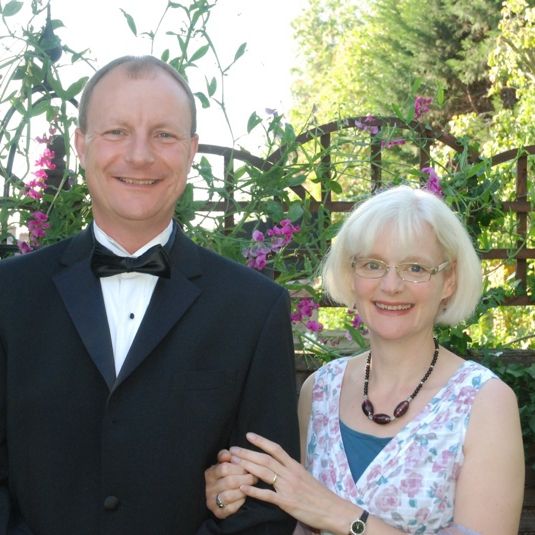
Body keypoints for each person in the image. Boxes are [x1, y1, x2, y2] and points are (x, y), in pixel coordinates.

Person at [0, 55, 300, 534]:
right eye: (116, 131)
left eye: (163, 134)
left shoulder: (253, 309)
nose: (139, 155)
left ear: (191, 150)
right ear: (81, 144)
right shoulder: (8, 295)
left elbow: (265, 502)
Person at [205, 185, 525, 534]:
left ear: (448, 281)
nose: (391, 286)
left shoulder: (484, 401)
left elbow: (319, 507)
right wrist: (231, 494)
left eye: (415, 268)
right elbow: (293, 518)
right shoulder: (321, 390)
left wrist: (343, 516)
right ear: (351, 274)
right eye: (373, 265)